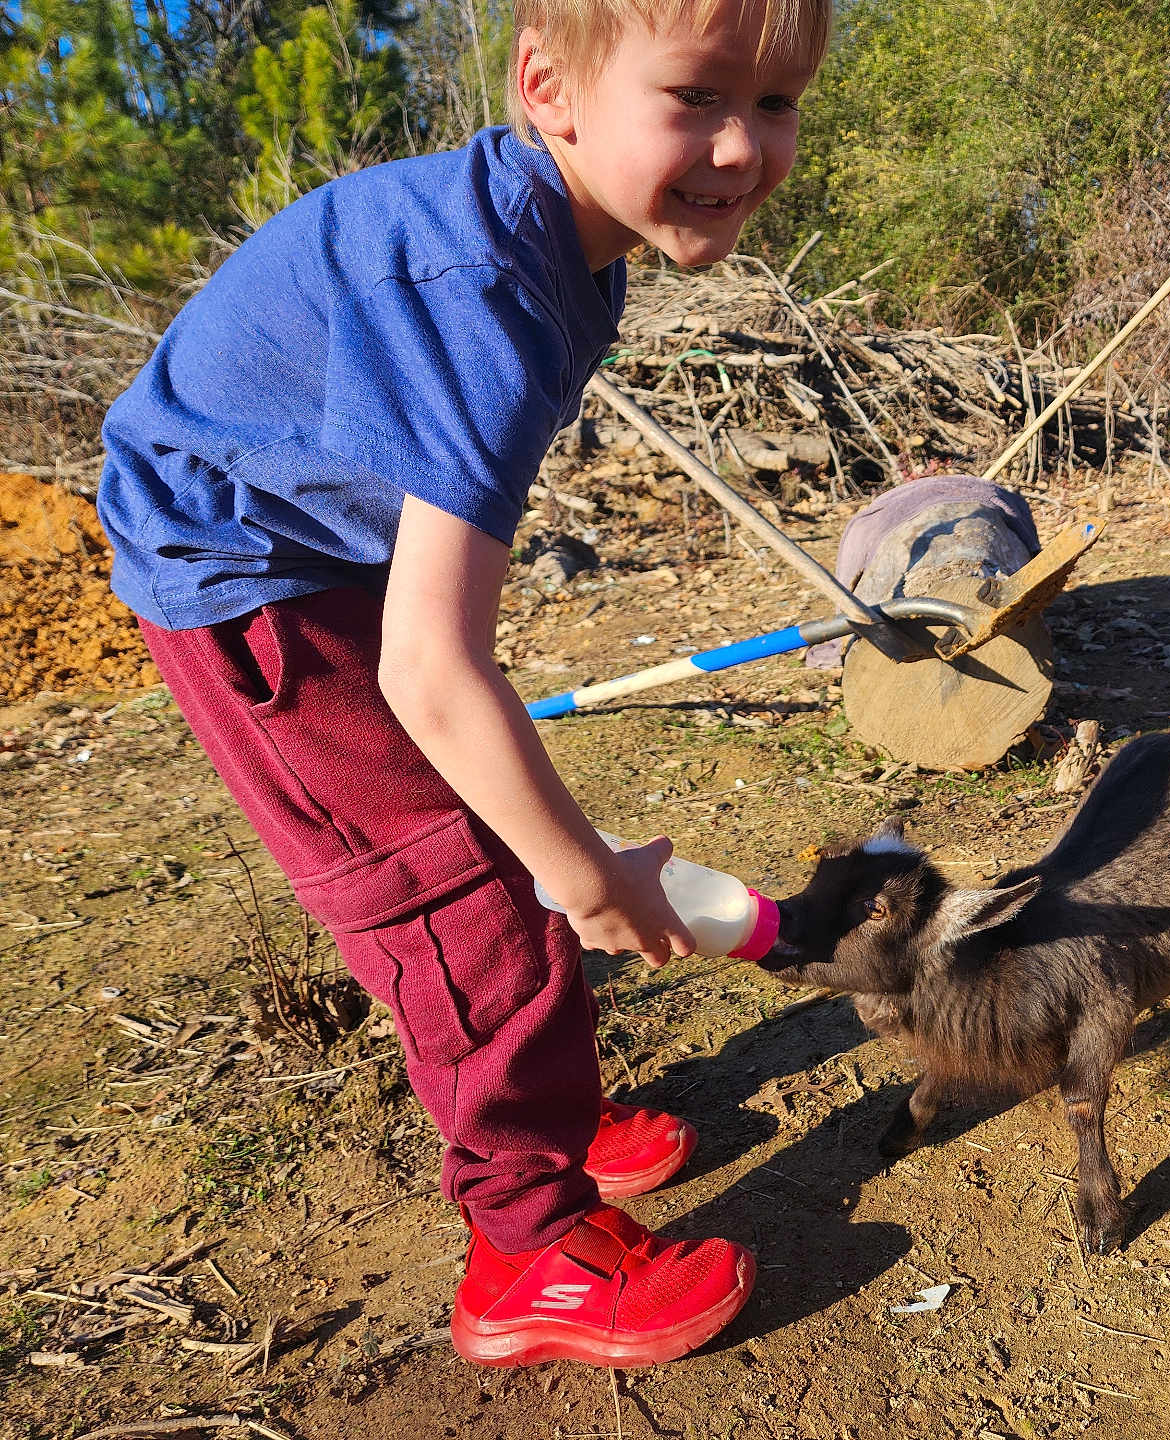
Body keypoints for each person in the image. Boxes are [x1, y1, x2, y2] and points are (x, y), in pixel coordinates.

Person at [96, 0, 831, 1369]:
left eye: (778, 102)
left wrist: (560, 851)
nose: (742, 146)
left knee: (509, 828)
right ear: (548, 88)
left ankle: (543, 1109)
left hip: (318, 533)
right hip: (239, 566)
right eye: (697, 96)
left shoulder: (576, 252)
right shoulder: (479, 289)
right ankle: (526, 1249)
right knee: (452, 883)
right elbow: (433, 671)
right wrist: (589, 874)